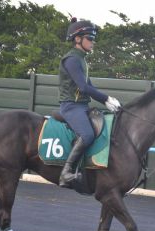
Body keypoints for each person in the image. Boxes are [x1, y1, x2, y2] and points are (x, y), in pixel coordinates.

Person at [58, 17, 121, 188]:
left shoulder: (82, 60)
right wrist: (106, 99)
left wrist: (107, 101)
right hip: (70, 106)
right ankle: (66, 173)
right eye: (90, 39)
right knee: (87, 135)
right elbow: (83, 87)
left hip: (82, 106)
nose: (93, 43)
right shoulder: (71, 59)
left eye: (93, 39)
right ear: (78, 39)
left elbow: (89, 86)